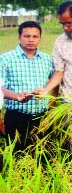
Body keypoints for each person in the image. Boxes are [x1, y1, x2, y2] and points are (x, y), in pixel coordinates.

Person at [0, 21, 54, 151]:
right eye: (26, 36)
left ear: (40, 38)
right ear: (19, 37)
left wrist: (51, 100)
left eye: (35, 36)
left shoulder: (47, 59)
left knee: (43, 155)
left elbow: (55, 81)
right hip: (16, 117)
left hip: (42, 117)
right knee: (17, 155)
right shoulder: (6, 59)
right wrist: (16, 96)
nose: (31, 40)